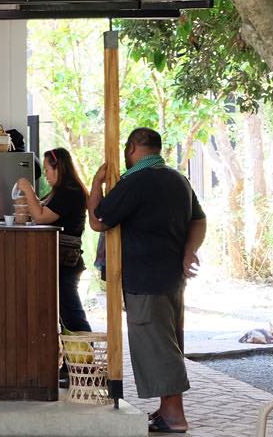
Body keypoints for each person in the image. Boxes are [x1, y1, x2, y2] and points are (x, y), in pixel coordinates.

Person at [87, 128, 206, 434]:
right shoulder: (178, 179)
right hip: (172, 278)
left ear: (131, 149)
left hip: (145, 279)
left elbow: (98, 220)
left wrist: (96, 184)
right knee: (167, 342)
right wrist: (189, 251)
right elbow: (199, 220)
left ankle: (174, 416)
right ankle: (167, 410)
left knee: (157, 346)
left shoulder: (135, 181)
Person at [15, 147, 92, 334]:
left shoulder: (70, 192)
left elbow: (41, 216)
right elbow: (39, 210)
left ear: (58, 168)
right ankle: (74, 352)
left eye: (47, 169)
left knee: (71, 313)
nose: (46, 175)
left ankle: (86, 351)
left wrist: (28, 189)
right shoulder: (58, 192)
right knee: (65, 312)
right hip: (59, 261)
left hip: (66, 261)